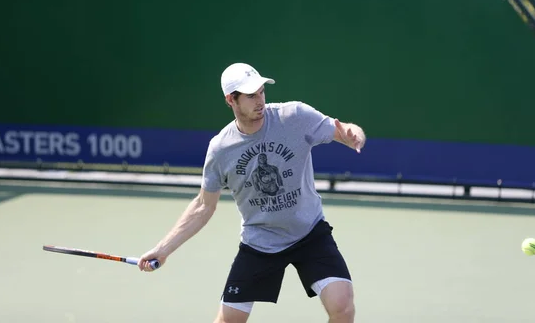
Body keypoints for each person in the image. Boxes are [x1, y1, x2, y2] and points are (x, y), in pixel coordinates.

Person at [138, 62, 366, 323]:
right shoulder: (221, 149)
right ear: (231, 100)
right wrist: (163, 249)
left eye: (261, 92)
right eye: (250, 96)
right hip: (260, 242)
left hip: (309, 232)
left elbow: (342, 130)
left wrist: (352, 134)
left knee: (343, 305)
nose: (259, 100)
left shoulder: (294, 117)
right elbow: (203, 206)